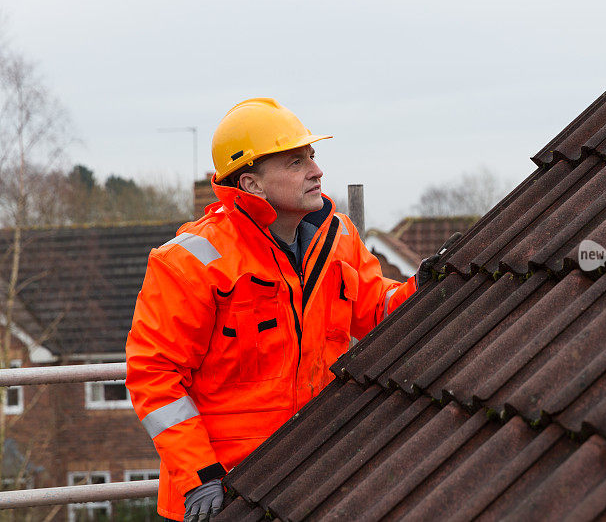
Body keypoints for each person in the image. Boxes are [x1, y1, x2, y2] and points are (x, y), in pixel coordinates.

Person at [125, 98, 424, 521]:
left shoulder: (337, 238)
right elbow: (154, 377)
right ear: (251, 185)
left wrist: (428, 287)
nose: (316, 170)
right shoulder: (190, 261)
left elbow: (378, 307)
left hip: (314, 475)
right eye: (295, 162)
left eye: (312, 156)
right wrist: (200, 476)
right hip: (225, 490)